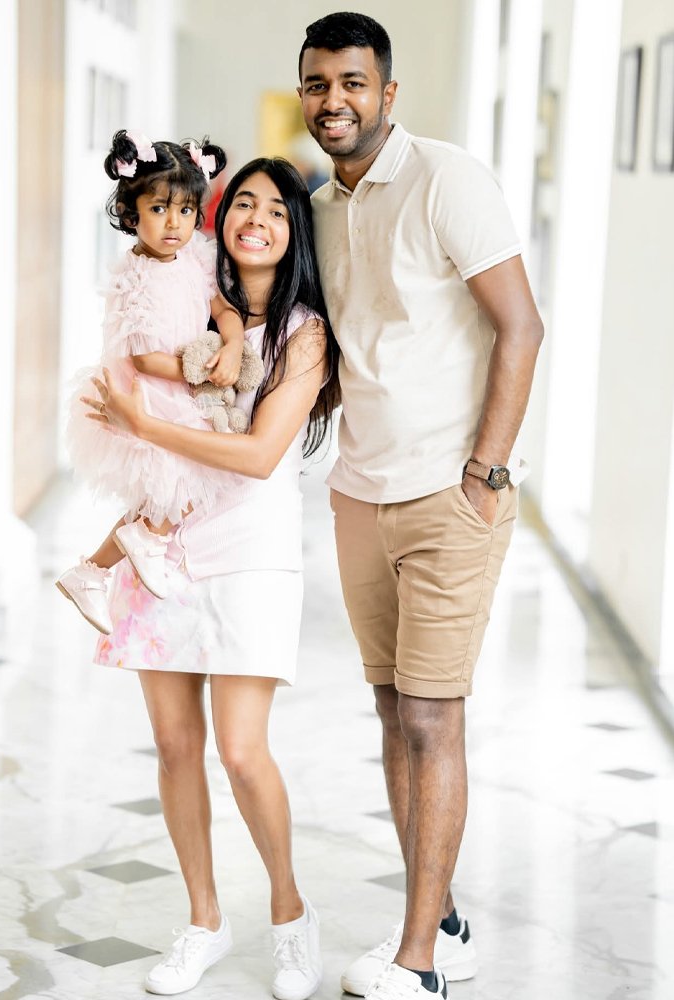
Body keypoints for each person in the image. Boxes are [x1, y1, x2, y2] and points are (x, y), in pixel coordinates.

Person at [297, 12, 544, 1000]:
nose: (335, 101)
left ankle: (420, 963)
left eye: (352, 82)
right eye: (318, 83)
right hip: (359, 495)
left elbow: (521, 327)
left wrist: (486, 472)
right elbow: (349, 348)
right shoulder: (320, 206)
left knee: (434, 718)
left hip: (450, 495)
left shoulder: (449, 179)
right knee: (394, 712)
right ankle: (440, 918)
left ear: (387, 93)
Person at [83, 157, 338, 1000]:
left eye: (277, 210)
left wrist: (141, 420)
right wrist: (125, 419)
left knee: (240, 749)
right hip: (167, 542)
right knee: (173, 745)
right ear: (219, 219)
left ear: (295, 232)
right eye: (244, 205)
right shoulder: (189, 292)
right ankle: (203, 921)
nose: (256, 220)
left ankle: (291, 916)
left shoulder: (304, 333)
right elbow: (127, 368)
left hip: (252, 552)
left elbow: (259, 455)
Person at [57, 128, 246, 633]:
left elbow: (224, 308)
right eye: (159, 209)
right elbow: (143, 358)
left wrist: (231, 344)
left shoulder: (196, 257)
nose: (174, 223)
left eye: (185, 210)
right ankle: (129, 550)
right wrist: (202, 371)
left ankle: (92, 571)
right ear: (130, 213)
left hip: (184, 385)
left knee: (166, 497)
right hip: (148, 393)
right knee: (187, 480)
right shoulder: (133, 277)